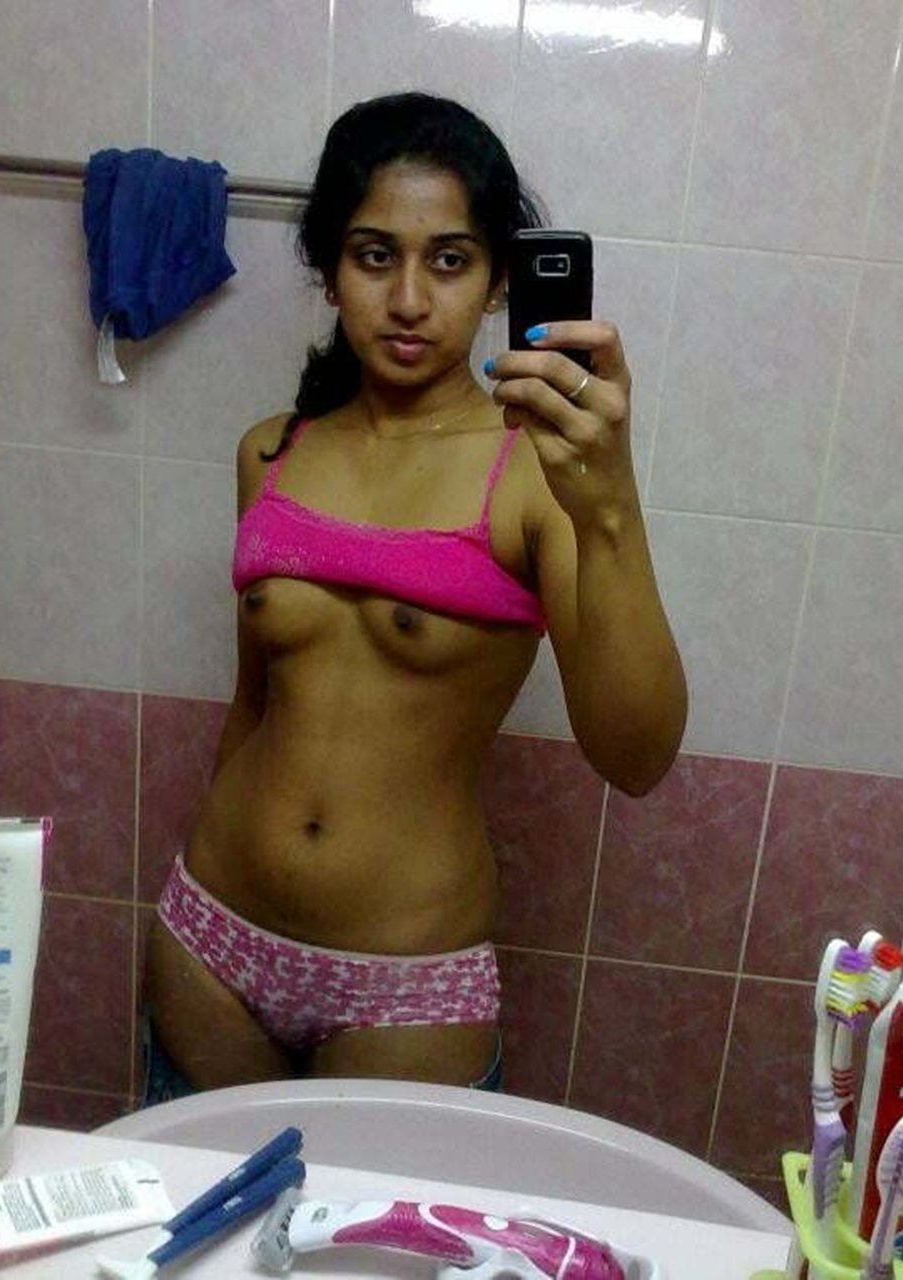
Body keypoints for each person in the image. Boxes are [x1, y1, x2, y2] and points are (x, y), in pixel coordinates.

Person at [142, 92, 687, 1099]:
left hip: (407, 985)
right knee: (194, 1209)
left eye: (448, 260)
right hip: (209, 938)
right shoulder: (271, 453)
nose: (406, 299)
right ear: (328, 268)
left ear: (495, 281)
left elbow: (637, 756)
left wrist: (609, 503)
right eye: (372, 255)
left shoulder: (538, 473)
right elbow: (254, 703)